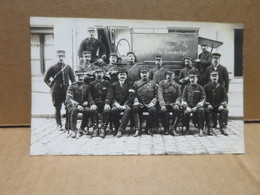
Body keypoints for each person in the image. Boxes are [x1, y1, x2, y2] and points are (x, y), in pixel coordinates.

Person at [44, 50, 75, 131]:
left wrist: (72, 89)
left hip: (66, 92)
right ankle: (59, 124)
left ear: (64, 57)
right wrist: (51, 86)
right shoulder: (52, 67)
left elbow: (73, 79)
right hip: (56, 92)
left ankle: (68, 124)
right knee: (58, 108)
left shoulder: (68, 67)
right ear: (56, 57)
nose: (61, 58)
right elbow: (46, 79)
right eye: (59, 56)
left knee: (68, 107)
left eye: (62, 56)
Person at [106, 69, 136, 137]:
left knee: (128, 110)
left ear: (126, 76)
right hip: (116, 104)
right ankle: (117, 128)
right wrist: (116, 104)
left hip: (126, 104)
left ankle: (120, 130)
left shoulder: (130, 84)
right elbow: (111, 96)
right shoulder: (113, 85)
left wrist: (125, 105)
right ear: (118, 76)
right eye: (121, 75)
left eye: (124, 75)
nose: (122, 76)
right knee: (114, 110)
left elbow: (131, 95)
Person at [132, 67, 158, 136]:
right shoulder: (136, 83)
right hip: (140, 103)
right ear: (140, 74)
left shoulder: (153, 83)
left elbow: (156, 94)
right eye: (142, 73)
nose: (144, 74)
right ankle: (138, 129)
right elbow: (133, 94)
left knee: (153, 110)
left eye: (146, 73)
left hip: (149, 104)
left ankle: (148, 128)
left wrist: (152, 103)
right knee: (135, 108)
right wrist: (137, 102)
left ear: (148, 74)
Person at [66, 71, 90, 138]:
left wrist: (87, 101)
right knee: (74, 111)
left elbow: (88, 96)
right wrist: (77, 105)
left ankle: (82, 128)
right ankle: (73, 130)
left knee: (88, 110)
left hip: (82, 104)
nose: (80, 78)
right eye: (79, 76)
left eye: (82, 76)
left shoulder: (86, 86)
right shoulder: (72, 86)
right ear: (76, 77)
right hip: (72, 104)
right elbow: (70, 98)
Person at [88, 68, 111, 138]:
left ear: (103, 74)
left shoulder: (107, 83)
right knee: (92, 110)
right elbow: (89, 95)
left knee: (107, 110)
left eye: (100, 73)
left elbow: (109, 94)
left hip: (104, 102)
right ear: (94, 74)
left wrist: (107, 103)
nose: (99, 74)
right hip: (95, 102)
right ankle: (95, 128)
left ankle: (103, 128)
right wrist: (92, 103)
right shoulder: (91, 84)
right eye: (97, 73)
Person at [204, 71, 229, 136]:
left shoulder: (221, 87)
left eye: (216, 76)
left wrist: (222, 105)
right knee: (207, 111)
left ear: (218, 77)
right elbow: (203, 97)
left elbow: (225, 97)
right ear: (210, 77)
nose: (214, 77)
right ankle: (210, 128)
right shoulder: (206, 86)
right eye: (213, 76)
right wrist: (207, 104)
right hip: (210, 106)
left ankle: (223, 127)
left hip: (218, 106)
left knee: (225, 110)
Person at [181, 71, 205, 136]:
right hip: (188, 106)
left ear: (197, 79)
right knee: (186, 113)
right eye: (191, 78)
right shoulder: (186, 87)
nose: (192, 79)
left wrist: (196, 107)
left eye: (194, 78)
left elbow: (203, 98)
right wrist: (187, 107)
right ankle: (187, 128)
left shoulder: (200, 87)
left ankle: (201, 129)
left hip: (197, 107)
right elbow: (183, 98)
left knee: (201, 111)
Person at [158, 70, 181, 135]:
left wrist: (177, 104)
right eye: (167, 75)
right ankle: (166, 129)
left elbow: (179, 96)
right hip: (164, 103)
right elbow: (160, 94)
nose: (169, 76)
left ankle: (173, 129)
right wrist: (162, 105)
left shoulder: (177, 85)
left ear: (173, 76)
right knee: (162, 111)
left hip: (173, 104)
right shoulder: (161, 83)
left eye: (170, 75)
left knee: (177, 110)